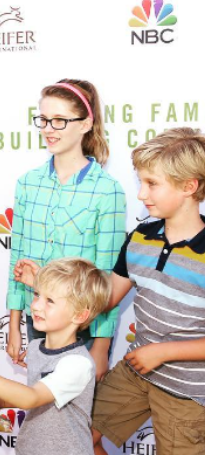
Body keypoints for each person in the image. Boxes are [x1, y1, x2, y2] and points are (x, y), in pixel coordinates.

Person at [91, 127, 205, 455]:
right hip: (137, 370)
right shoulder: (142, 236)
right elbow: (108, 296)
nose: (142, 194)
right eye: (141, 182)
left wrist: (162, 352)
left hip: (186, 391)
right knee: (80, 430)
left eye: (152, 184)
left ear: (189, 186)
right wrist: (47, 282)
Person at [6, 79, 127, 379]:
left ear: (86, 123)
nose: (48, 129)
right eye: (44, 119)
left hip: (82, 326)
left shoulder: (107, 191)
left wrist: (100, 347)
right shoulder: (27, 184)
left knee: (76, 421)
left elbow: (107, 277)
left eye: (60, 120)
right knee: (40, 410)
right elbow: (16, 261)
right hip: (38, 321)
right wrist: (13, 325)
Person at [0, 258, 111, 455]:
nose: (36, 306)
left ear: (80, 316)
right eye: (37, 295)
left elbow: (32, 398)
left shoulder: (78, 364)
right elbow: (40, 399)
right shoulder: (35, 348)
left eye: (49, 301)